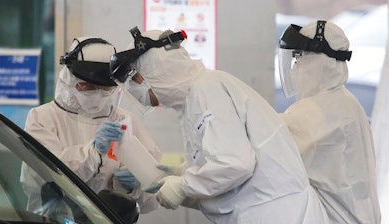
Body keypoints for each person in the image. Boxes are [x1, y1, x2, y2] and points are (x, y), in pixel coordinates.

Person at [109, 26, 330, 224]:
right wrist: (182, 172)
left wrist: (184, 184)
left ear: (156, 69)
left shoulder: (207, 90)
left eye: (133, 80)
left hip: (276, 214)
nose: (133, 90)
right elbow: (223, 161)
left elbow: (236, 164)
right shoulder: (193, 99)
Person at [20, 37, 162, 214]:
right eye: (87, 86)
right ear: (70, 80)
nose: (97, 94)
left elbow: (154, 199)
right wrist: (93, 153)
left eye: (105, 89)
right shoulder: (43, 118)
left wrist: (135, 186)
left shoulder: (124, 120)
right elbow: (42, 179)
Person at [277, 20, 381, 223]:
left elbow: (268, 144)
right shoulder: (345, 101)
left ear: (322, 62)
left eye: (300, 57)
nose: (295, 67)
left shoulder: (317, 111)